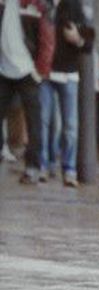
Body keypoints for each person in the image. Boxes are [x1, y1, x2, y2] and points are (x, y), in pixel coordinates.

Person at [0, 0, 54, 185]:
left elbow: (47, 38)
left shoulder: (35, 5)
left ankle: (33, 167)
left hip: (28, 71)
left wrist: (40, 71)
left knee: (34, 121)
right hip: (4, 70)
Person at [40, 0, 92, 186]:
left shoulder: (75, 5)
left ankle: (69, 169)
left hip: (68, 73)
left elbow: (89, 42)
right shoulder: (42, 5)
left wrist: (77, 38)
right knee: (44, 122)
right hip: (45, 72)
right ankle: (44, 166)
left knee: (69, 126)